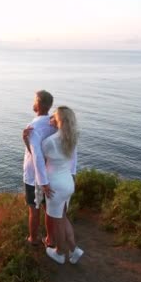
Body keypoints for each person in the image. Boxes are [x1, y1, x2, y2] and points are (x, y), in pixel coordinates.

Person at [37, 106, 83, 264]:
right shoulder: (72, 138)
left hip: (55, 186)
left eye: (53, 117)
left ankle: (60, 253)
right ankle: (74, 250)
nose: (50, 119)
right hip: (68, 183)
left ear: (59, 121)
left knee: (57, 222)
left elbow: (37, 158)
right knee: (62, 218)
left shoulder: (49, 142)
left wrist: (26, 140)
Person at [23, 90, 57, 247]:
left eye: (35, 100)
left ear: (40, 104)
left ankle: (33, 239)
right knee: (48, 208)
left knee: (34, 208)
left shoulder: (33, 127)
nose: (33, 102)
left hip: (34, 176)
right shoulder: (54, 124)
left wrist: (42, 181)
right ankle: (50, 238)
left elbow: (36, 155)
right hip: (51, 172)